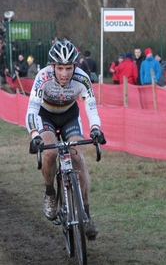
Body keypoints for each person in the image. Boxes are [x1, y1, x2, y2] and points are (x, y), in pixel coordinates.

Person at [25, 40, 106, 240]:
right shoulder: (42, 77)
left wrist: (96, 129)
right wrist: (35, 135)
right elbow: (31, 111)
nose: (64, 73)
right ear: (52, 66)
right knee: (51, 152)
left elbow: (91, 108)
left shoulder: (82, 78)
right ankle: (50, 192)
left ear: (75, 67)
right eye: (60, 68)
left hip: (70, 116)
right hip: (46, 117)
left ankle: (86, 214)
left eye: (68, 68)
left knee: (78, 157)